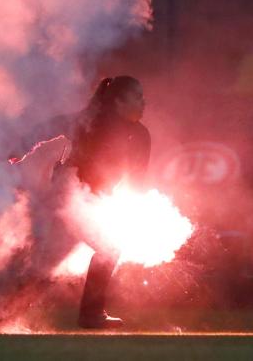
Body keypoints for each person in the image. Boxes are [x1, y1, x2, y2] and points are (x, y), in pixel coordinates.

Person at [68, 75, 150, 329]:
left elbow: (136, 180)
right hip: (66, 197)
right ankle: (91, 315)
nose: (143, 102)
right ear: (118, 101)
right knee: (108, 249)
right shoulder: (92, 120)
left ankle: (3, 314)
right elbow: (50, 127)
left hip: (92, 202)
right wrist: (22, 150)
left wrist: (135, 213)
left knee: (49, 257)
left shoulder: (140, 134)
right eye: (137, 97)